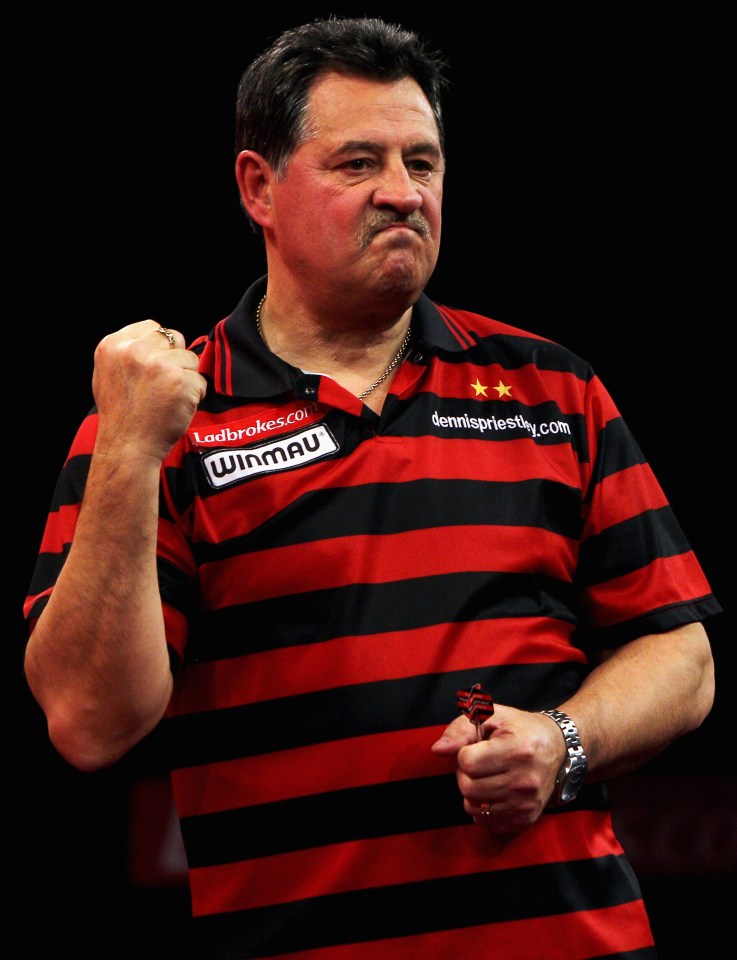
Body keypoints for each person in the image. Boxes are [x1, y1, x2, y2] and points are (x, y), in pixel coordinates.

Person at [23, 16, 721, 960]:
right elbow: (88, 724)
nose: (403, 193)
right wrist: (127, 454)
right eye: (357, 164)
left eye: (422, 162)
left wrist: (562, 740)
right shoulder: (158, 418)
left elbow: (681, 656)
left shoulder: (552, 390)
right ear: (257, 188)